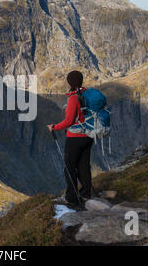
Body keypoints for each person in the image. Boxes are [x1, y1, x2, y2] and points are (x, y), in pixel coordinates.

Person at [47, 70, 93, 205]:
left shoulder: (73, 98)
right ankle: (86, 194)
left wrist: (54, 127)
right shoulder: (88, 94)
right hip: (89, 135)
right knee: (84, 165)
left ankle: (72, 196)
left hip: (75, 137)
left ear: (70, 83)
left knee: (70, 166)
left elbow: (69, 121)